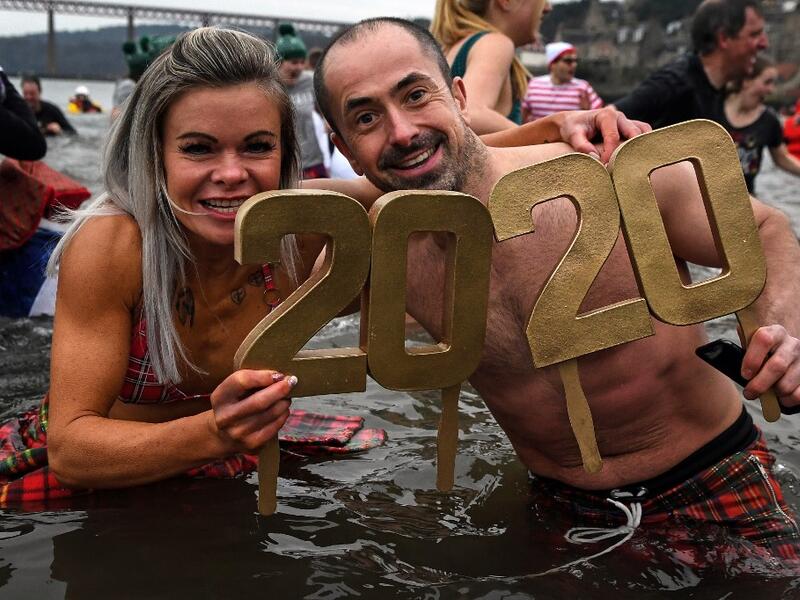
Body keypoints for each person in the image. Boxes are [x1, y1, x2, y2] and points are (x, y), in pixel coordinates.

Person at [313, 17, 800, 560]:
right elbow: (263, 209)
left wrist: (783, 333)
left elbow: (763, 228)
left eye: (416, 94)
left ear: (457, 96)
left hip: (711, 471)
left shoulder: (606, 169)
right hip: (558, 503)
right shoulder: (378, 248)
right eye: (366, 117)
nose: (402, 131)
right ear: (345, 148)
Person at [0, 27, 387, 504]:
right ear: (155, 155)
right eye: (199, 148)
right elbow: (72, 450)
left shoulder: (307, 222)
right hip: (109, 465)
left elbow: (432, 182)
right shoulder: (114, 244)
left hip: (235, 448)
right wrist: (215, 433)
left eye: (257, 146)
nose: (231, 174)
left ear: (287, 153)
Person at [615, 0, 768, 129]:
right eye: (754, 34)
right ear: (723, 39)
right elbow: (608, 119)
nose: (764, 44)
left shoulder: (717, 89)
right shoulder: (674, 84)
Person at [431, 0, 552, 133]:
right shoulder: (495, 43)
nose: (548, 7)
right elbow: (472, 113)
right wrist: (542, 139)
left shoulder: (453, 48)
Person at [722, 56, 800, 194]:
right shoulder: (713, 108)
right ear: (746, 81)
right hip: (706, 196)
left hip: (746, 199)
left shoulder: (769, 120)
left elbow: (783, 159)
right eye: (767, 82)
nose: (771, 90)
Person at [276, 22, 327, 179]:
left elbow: (325, 104)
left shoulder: (309, 81)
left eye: (301, 62)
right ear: (278, 62)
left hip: (313, 160)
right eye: (293, 62)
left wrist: (328, 119)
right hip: (285, 164)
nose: (298, 67)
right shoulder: (269, 86)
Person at [522, 42, 603, 123]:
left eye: (575, 61)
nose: (574, 65)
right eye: (568, 61)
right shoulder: (534, 85)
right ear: (553, 64)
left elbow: (600, 116)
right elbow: (522, 116)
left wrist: (587, 112)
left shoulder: (583, 87)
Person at [0, 66, 46, 160]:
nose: (29, 98)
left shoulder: (50, 110)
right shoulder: (15, 110)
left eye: (32, 94)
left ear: (40, 92)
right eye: (26, 94)